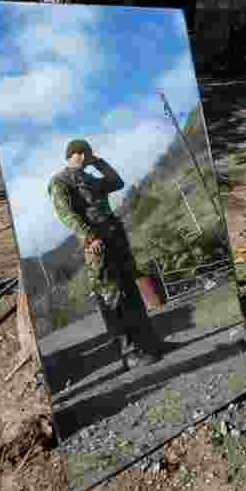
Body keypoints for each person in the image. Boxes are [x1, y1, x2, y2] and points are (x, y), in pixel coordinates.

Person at [48, 139, 163, 369]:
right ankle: (130, 353)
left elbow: (117, 182)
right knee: (112, 296)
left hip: (115, 238)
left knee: (130, 290)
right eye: (87, 153)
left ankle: (149, 344)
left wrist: (99, 162)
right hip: (96, 245)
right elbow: (65, 214)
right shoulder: (60, 181)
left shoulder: (89, 179)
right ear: (77, 154)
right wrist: (89, 237)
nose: (89, 157)